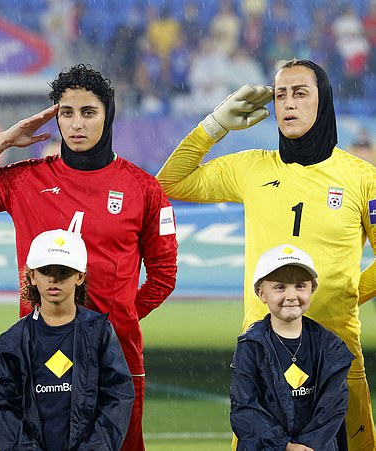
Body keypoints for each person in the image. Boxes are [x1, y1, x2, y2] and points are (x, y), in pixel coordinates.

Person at [0, 64, 177, 450]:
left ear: (108, 115)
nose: (77, 124)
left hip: (116, 354)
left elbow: (163, 276)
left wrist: (116, 320)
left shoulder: (143, 189)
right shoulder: (26, 180)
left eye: (88, 112)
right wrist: (4, 140)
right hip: (37, 351)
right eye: (67, 113)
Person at [158, 59, 376, 449]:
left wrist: (344, 295)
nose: (288, 103)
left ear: (322, 101)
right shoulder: (252, 168)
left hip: (336, 358)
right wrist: (215, 125)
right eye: (280, 95)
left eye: (300, 93)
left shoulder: (363, 178)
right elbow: (170, 182)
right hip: (261, 358)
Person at [0, 229, 134, 450]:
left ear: (80, 277)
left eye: (64, 271)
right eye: (45, 270)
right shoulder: (13, 341)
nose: (53, 279)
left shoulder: (98, 332)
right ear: (32, 276)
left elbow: (118, 394)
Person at [230, 244, 354, 450]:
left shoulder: (331, 346)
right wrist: (284, 446)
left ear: (312, 289)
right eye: (280, 287)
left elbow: (332, 410)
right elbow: (245, 409)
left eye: (300, 286)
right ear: (261, 293)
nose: (291, 295)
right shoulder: (250, 346)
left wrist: (306, 446)